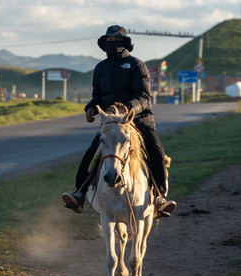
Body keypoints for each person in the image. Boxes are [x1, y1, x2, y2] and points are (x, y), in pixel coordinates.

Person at [61, 25, 177, 218]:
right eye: (109, 41)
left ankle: (160, 198)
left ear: (124, 43)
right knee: (91, 153)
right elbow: (97, 96)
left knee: (155, 150)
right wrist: (90, 107)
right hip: (111, 122)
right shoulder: (100, 68)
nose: (112, 44)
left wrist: (129, 108)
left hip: (139, 120)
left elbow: (144, 96)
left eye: (116, 41)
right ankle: (79, 194)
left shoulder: (136, 65)